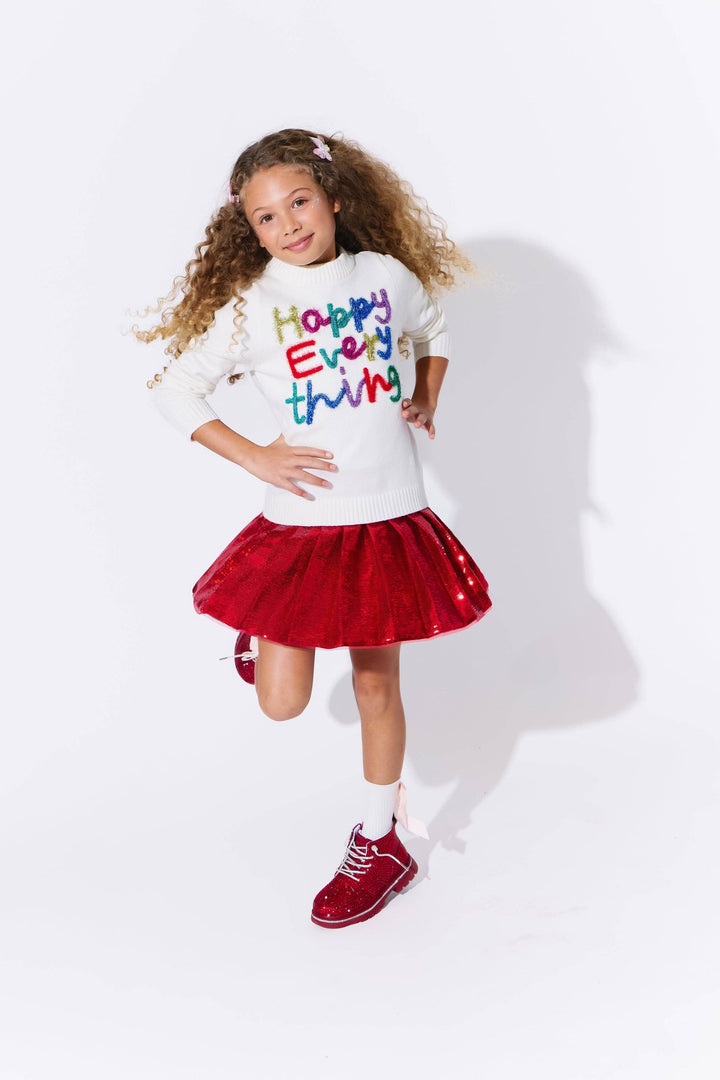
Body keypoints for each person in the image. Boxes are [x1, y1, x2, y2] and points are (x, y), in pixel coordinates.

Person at [136, 128, 492, 929]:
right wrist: (256, 456)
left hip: (390, 515)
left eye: (299, 202)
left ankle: (381, 840)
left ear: (333, 199)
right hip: (302, 527)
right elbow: (172, 391)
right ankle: (262, 639)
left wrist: (427, 394)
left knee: (376, 683)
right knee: (282, 706)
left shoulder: (384, 276)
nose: (288, 224)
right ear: (249, 231)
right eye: (266, 217)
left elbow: (434, 328)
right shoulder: (251, 306)